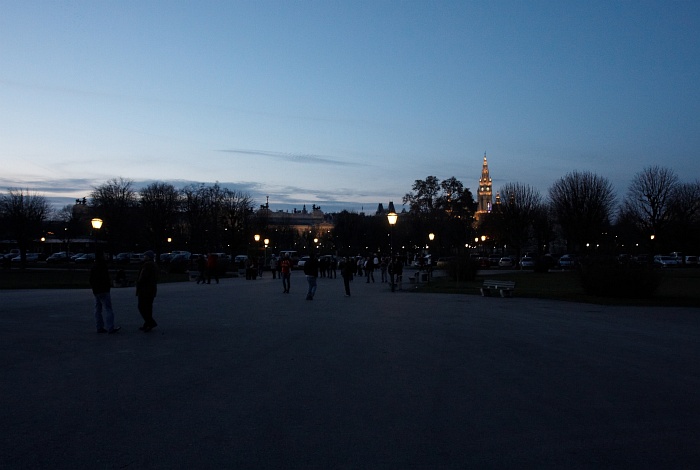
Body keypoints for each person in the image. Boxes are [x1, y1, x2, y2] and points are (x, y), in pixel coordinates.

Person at [89, 254, 120, 334]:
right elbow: (106, 278)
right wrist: (108, 286)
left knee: (98, 309)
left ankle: (99, 327)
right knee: (108, 308)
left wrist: (94, 288)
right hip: (104, 290)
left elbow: (91, 279)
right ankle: (110, 327)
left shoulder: (94, 266)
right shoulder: (103, 266)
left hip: (96, 290)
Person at [136, 250, 158, 332]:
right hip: (151, 289)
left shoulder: (147, 265)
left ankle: (150, 322)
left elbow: (143, 277)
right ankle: (147, 323)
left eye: (145, 256)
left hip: (145, 289)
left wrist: (138, 283)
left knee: (142, 307)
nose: (143, 257)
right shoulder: (153, 265)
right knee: (148, 307)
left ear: (148, 257)